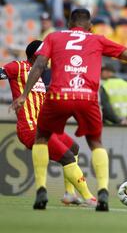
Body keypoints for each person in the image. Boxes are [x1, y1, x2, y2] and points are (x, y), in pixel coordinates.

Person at [11, 8, 127, 211]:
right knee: (96, 143)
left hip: (58, 95)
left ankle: (42, 189)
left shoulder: (54, 37)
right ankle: (102, 193)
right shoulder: (97, 39)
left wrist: (24, 95)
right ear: (90, 27)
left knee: (42, 138)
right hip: (86, 97)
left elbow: (38, 65)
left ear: (68, 24)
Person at [1, 40, 96, 207]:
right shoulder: (18, 67)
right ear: (36, 55)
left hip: (45, 128)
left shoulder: (40, 76)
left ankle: (69, 195)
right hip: (30, 129)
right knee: (67, 157)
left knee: (73, 148)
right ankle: (90, 198)